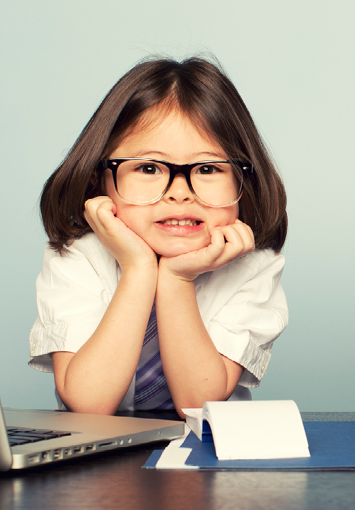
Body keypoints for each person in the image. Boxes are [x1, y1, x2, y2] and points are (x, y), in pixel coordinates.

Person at [28, 57, 288, 417]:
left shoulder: (253, 268)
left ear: (244, 183)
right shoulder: (78, 258)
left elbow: (199, 405)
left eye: (208, 168)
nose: (179, 192)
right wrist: (137, 270)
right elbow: (89, 402)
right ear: (98, 179)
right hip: (99, 463)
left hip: (205, 458)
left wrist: (177, 279)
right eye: (149, 167)